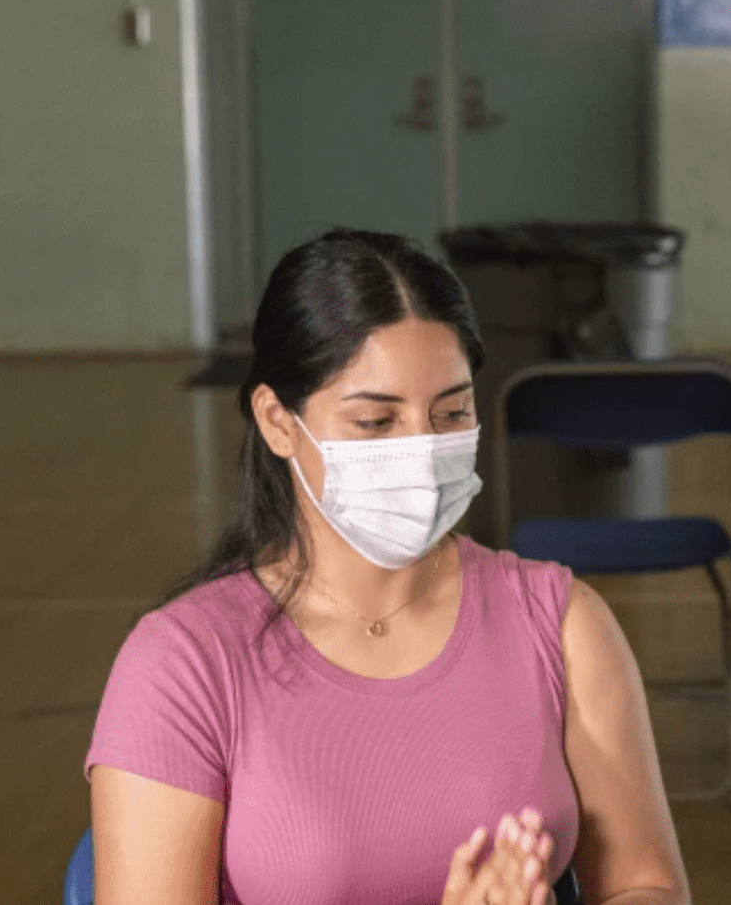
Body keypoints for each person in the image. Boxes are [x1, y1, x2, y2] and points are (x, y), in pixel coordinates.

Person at [87, 229, 688, 905]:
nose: (424, 453)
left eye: (452, 412)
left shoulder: (561, 622)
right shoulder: (182, 665)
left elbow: (648, 885)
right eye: (376, 422)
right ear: (279, 421)